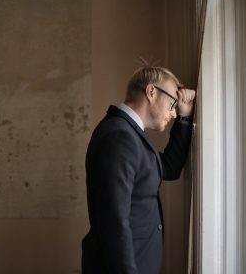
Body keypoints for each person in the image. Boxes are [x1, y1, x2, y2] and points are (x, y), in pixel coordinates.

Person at [81, 63, 196, 274]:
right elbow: (114, 222)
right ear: (151, 92)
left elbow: (167, 168)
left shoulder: (130, 133)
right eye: (172, 103)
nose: (173, 113)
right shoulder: (120, 136)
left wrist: (184, 117)